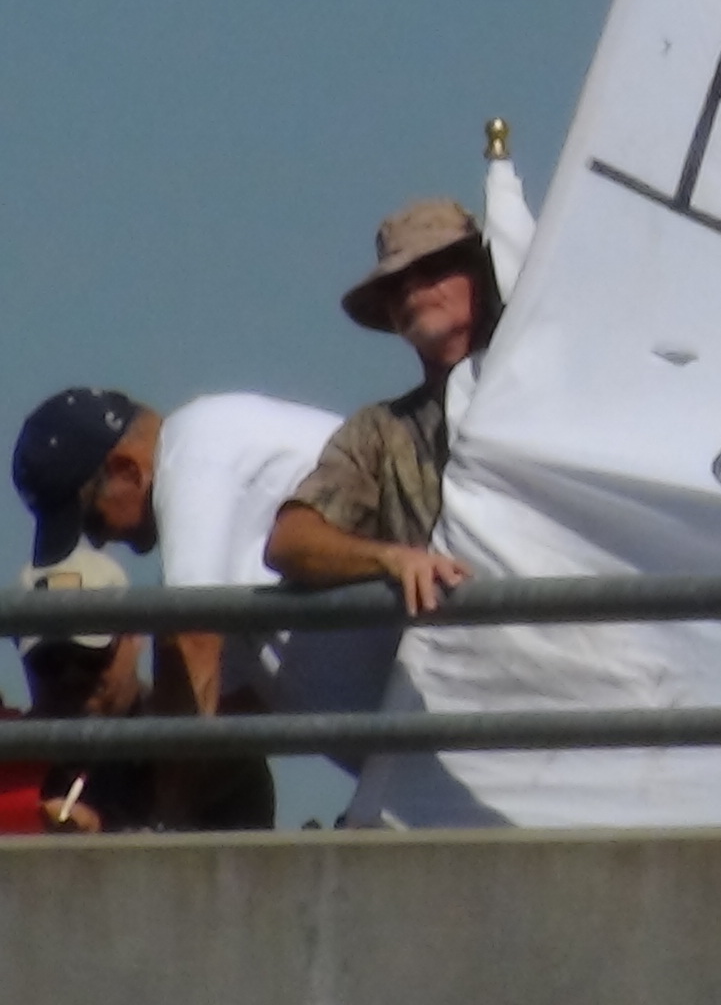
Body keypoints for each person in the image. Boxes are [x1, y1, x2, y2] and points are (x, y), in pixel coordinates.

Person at [11, 388, 344, 827]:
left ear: (127, 471)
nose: (98, 540)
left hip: (438, 673)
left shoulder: (194, 455)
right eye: (52, 666)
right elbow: (225, 696)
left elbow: (191, 635)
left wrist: (166, 828)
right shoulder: (213, 490)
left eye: (92, 519)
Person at [265, 198, 489, 613]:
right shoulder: (380, 432)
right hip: (452, 666)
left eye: (436, 267)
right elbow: (291, 541)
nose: (411, 288)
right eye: (395, 282)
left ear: (483, 277)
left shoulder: (553, 392)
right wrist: (391, 558)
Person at [10, 544, 155, 833]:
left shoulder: (189, 747)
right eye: (51, 662)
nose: (71, 677)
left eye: (91, 656)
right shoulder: (13, 767)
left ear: (134, 639)